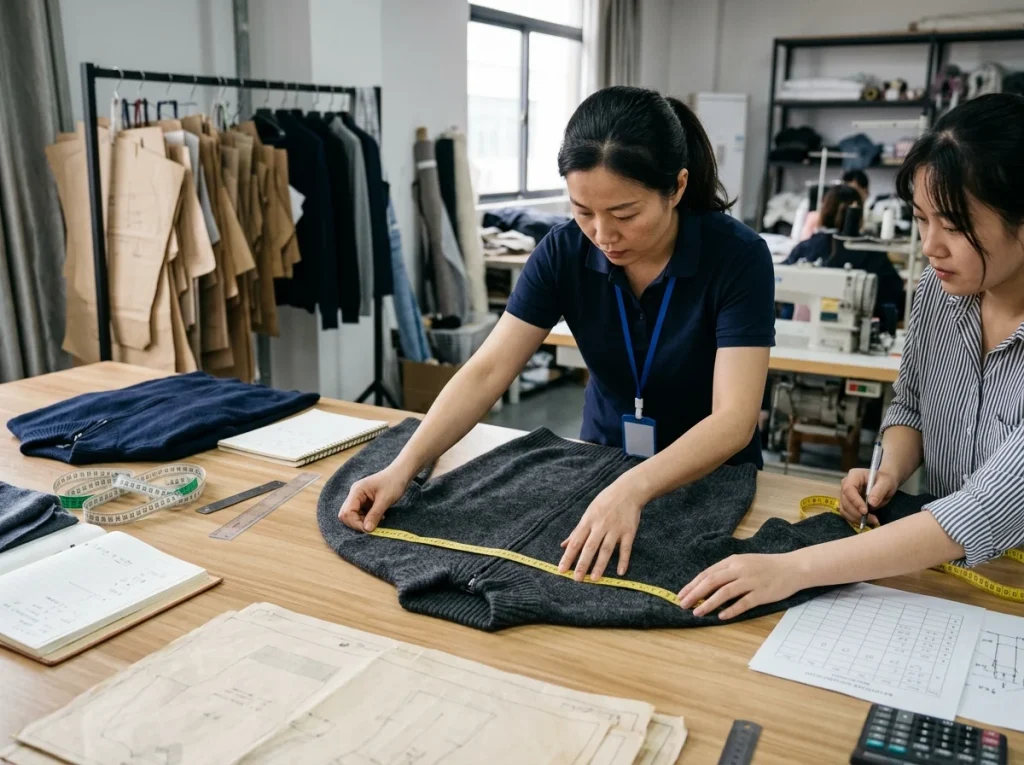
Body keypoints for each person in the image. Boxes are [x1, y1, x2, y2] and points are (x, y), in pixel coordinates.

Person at [340, 86, 776, 583]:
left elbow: (734, 420)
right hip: (602, 462)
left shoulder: (737, 258)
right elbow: (487, 371)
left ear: (676, 188)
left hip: (712, 477)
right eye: (583, 210)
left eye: (625, 214)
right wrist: (405, 467)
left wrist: (633, 489)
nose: (602, 235)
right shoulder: (563, 251)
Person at [680, 93, 1024, 620]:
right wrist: (888, 469)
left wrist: (792, 568)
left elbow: (985, 509)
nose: (930, 246)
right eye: (921, 219)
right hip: (945, 567)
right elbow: (910, 405)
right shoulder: (939, 288)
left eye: (953, 226)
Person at [784, 184, 905, 321]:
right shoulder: (872, 251)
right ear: (859, 215)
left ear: (824, 211)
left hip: (804, 331)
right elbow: (893, 296)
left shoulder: (807, 247)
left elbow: (780, 280)